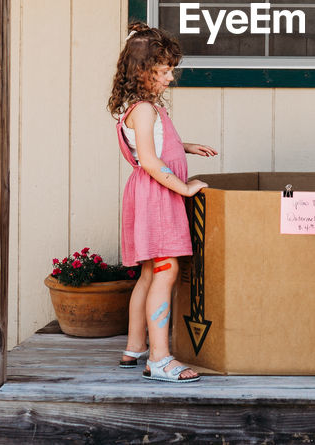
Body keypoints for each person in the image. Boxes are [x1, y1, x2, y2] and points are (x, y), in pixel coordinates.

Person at [109, 21, 216, 383]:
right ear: (142, 71)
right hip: (158, 195)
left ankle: (134, 347)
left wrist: (185, 146)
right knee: (166, 271)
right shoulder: (143, 109)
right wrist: (185, 189)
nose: (171, 78)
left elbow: (151, 145)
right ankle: (159, 358)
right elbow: (151, 161)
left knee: (150, 272)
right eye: (164, 71)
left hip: (149, 194)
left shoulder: (144, 106)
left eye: (171, 70)